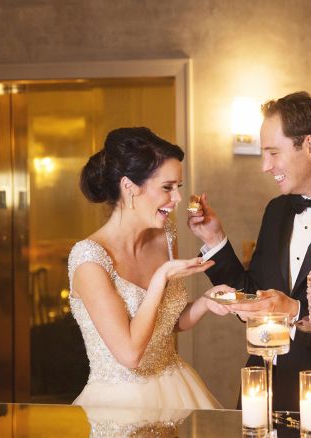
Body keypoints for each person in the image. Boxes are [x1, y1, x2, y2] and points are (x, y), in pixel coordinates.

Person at [188, 92, 311, 411]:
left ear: (310, 146)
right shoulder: (276, 211)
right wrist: (215, 239)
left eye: (273, 152)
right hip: (262, 393)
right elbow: (255, 297)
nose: (265, 166)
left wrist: (296, 312)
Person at [69, 127, 230, 409]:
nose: (178, 199)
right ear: (130, 187)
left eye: (177, 187)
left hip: (176, 389)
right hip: (119, 404)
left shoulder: (165, 237)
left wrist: (206, 301)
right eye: (167, 188)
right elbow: (130, 354)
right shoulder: (89, 259)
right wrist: (160, 279)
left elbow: (167, 323)